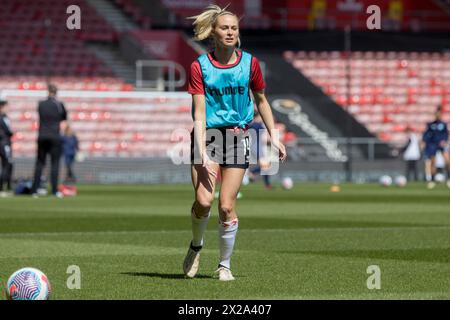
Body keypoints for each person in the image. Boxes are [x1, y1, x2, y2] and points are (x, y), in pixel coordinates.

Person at [183, 4, 286, 281]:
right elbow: (200, 112)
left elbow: (262, 100)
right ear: (213, 33)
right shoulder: (199, 66)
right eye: (224, 28)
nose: (230, 32)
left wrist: (274, 137)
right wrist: (201, 147)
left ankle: (224, 265)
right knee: (203, 201)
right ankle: (196, 245)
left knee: (226, 206)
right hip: (209, 136)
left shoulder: (250, 63)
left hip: (238, 137)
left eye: (233, 28)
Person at [31, 84, 68, 198]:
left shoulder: (41, 104)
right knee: (55, 163)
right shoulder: (59, 105)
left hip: (42, 136)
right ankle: (55, 191)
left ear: (47, 92)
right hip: (54, 137)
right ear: (56, 92)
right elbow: (63, 118)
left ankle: (34, 190)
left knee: (39, 163)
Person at [422, 108, 448, 189]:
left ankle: (449, 179)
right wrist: (424, 141)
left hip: (441, 145)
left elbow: (446, 134)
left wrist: (444, 140)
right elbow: (426, 134)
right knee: (433, 162)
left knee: (447, 161)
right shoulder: (431, 125)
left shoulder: (443, 124)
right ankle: (432, 180)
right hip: (433, 145)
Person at [0, 99, 13, 196]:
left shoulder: (5, 117)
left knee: (8, 164)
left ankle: (6, 186)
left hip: (4, 143)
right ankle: (2, 187)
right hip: (4, 144)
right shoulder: (2, 118)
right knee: (7, 164)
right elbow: (7, 131)